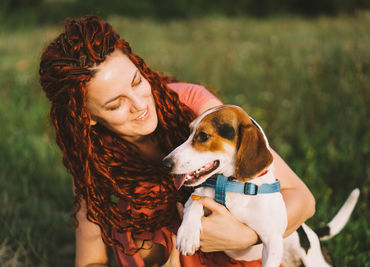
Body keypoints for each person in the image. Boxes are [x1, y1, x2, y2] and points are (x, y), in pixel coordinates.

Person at [39, 15, 315, 267]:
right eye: (116, 105)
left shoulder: (194, 106)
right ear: (86, 116)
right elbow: (91, 258)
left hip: (228, 246)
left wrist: (246, 237)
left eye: (137, 82)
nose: (139, 105)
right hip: (172, 247)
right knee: (135, 214)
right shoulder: (91, 155)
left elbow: (302, 198)